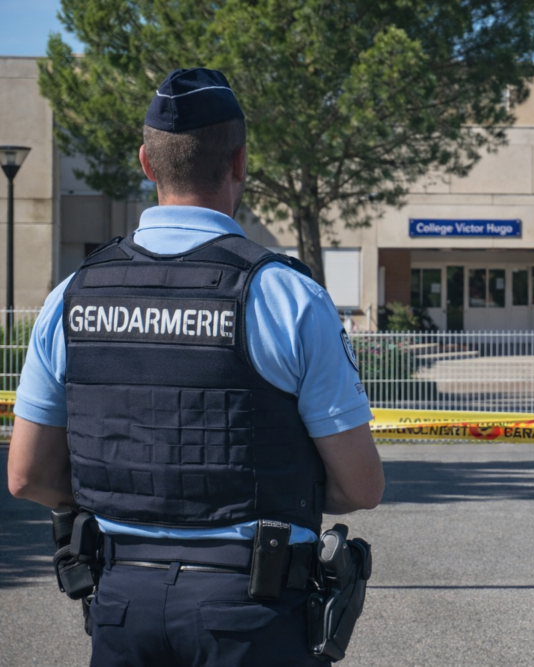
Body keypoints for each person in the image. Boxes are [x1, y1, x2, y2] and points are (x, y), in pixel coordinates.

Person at [6, 67, 385, 666]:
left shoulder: (73, 294)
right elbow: (360, 486)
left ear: (146, 163)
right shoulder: (286, 297)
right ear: (238, 163)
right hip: (252, 611)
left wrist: (131, 493)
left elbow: (27, 476)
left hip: (121, 602)